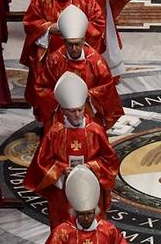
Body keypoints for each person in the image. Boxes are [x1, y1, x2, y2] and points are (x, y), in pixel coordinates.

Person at [23, 72, 118, 227]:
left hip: (90, 187)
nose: (78, 114)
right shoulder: (55, 133)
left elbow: (110, 160)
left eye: (80, 110)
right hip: (62, 193)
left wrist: (91, 166)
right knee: (64, 230)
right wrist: (61, 170)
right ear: (64, 111)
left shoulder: (95, 131)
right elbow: (42, 163)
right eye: (72, 111)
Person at [31, 4, 122, 129]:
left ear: (84, 39)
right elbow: (41, 87)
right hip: (62, 113)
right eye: (70, 44)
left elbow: (107, 87)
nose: (74, 48)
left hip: (89, 111)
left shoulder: (96, 61)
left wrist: (89, 95)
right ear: (63, 41)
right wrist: (62, 97)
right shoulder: (55, 60)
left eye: (77, 44)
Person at [22, 0, 104, 84]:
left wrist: (77, 31)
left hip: (78, 55)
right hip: (49, 56)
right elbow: (30, 22)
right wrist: (48, 28)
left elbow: (99, 24)